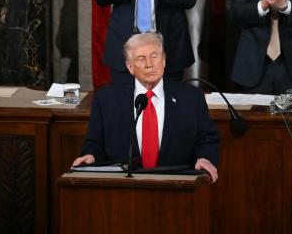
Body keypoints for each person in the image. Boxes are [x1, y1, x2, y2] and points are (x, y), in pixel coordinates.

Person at [73, 33, 219, 182]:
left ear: (163, 60)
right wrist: (90, 156)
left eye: (154, 56)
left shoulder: (191, 98)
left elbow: (206, 139)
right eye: (141, 59)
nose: (149, 64)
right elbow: (94, 143)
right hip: (123, 187)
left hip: (177, 187)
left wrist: (205, 158)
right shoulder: (106, 99)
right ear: (130, 67)